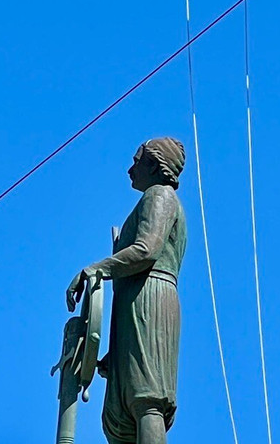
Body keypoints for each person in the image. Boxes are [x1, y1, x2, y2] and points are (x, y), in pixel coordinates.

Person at [66, 138, 187, 444]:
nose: (130, 169)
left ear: (155, 166)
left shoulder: (159, 195)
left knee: (146, 396)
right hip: (134, 300)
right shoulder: (156, 197)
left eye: (137, 161)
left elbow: (146, 250)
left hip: (150, 295)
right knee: (123, 409)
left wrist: (95, 269)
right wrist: (116, 352)